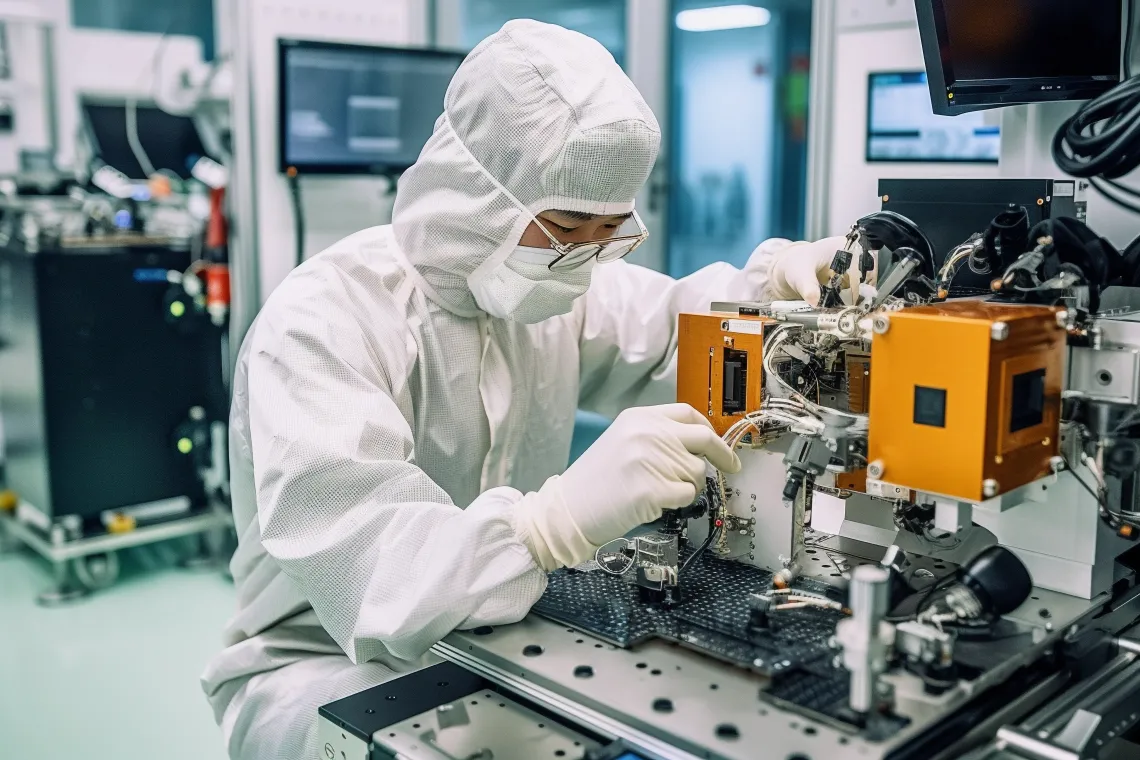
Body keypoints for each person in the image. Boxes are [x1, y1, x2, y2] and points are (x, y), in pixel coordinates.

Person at [202, 19, 865, 760]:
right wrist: (549, 525)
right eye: (566, 227)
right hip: (324, 663)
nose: (584, 258)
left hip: (500, 636)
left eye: (609, 231)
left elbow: (681, 338)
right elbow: (375, 578)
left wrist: (774, 298)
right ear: (477, 197)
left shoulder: (550, 292)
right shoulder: (322, 324)